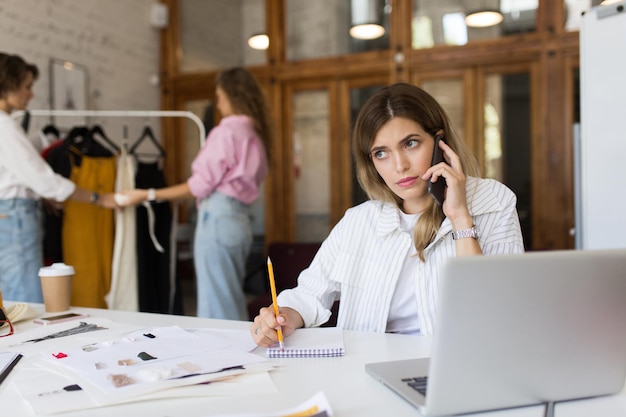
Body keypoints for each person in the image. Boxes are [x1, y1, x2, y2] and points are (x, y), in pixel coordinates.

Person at [251, 82, 524, 347]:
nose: (400, 166)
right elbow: (309, 296)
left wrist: (459, 217)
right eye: (381, 153)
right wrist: (282, 316)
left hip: (461, 368)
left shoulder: (492, 201)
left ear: (440, 142)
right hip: (369, 371)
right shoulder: (360, 221)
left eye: (411, 144)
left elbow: (496, 312)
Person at [118, 67, 271, 321]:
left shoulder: (226, 132)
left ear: (233, 97)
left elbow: (198, 186)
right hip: (239, 223)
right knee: (228, 298)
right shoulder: (255, 136)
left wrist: (146, 194)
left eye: (220, 98)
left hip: (219, 221)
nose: (219, 106)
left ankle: (229, 359)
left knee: (217, 307)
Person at [0, 52, 117, 303]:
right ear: (8, 85)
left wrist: (42, 196)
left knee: (11, 299)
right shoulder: (4, 126)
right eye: (27, 86)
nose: (31, 94)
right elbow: (44, 179)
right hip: (13, 217)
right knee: (24, 300)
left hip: (9, 214)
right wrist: (100, 198)